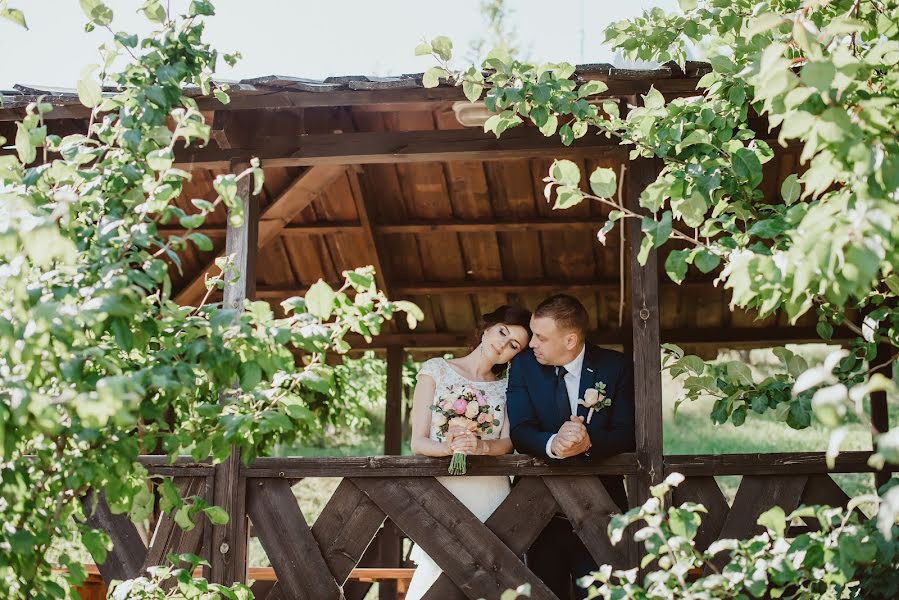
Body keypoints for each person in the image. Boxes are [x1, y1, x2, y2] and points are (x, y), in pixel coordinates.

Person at [507, 294, 635, 600]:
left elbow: (628, 433)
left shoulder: (616, 367)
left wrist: (589, 443)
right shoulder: (523, 366)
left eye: (540, 337)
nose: (532, 343)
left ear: (570, 340)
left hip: (603, 508)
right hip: (538, 509)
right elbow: (520, 430)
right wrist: (553, 443)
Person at [405, 305, 532, 600]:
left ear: (516, 355)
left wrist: (480, 446)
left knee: (493, 575)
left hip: (490, 494)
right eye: (503, 332)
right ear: (487, 327)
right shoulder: (435, 370)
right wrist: (447, 448)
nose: (503, 344)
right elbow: (418, 442)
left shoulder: (508, 387)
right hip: (445, 491)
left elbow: (506, 443)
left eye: (514, 344)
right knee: (439, 575)